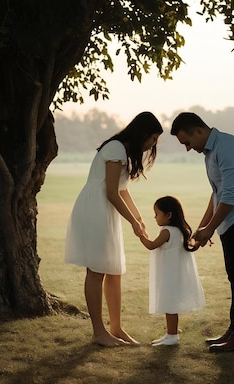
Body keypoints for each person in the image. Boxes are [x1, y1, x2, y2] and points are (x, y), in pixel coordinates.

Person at [65, 111, 163, 347]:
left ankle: (116, 327)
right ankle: (99, 332)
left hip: (107, 210)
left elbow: (122, 189)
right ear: (143, 133)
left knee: (114, 270)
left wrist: (138, 218)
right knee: (97, 270)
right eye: (153, 138)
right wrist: (132, 222)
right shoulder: (116, 148)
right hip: (96, 210)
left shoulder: (124, 152)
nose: (153, 145)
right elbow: (110, 192)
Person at [170, 112, 234, 353]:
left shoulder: (227, 147)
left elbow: (230, 196)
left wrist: (209, 228)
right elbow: (217, 194)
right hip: (231, 221)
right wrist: (203, 229)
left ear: (199, 131)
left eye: (187, 142)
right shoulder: (210, 152)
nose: (188, 149)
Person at [139, 196, 205, 346]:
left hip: (168, 274)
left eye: (157, 214)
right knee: (171, 306)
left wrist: (140, 235)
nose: (155, 217)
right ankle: (170, 334)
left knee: (170, 306)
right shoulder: (181, 231)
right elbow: (192, 246)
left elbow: (151, 245)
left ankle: (172, 336)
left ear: (168, 215)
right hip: (175, 273)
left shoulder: (167, 231)